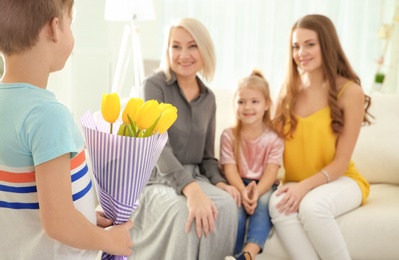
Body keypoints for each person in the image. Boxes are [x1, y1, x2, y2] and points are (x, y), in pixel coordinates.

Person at [0, 1, 133, 259]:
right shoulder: (48, 115)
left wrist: (82, 218)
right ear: (55, 28)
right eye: (71, 23)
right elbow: (59, 221)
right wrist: (111, 241)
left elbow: (33, 199)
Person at [129, 18, 239, 260]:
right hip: (156, 179)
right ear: (167, 50)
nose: (183, 54)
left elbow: (208, 157)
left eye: (192, 46)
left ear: (204, 50)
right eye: (175, 46)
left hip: (194, 176)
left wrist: (220, 183)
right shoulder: (153, 85)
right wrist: (191, 190)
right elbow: (157, 146)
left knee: (228, 206)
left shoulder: (208, 98)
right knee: (183, 211)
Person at [269, 14, 373, 260]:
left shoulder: (350, 92)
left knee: (312, 207)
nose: (301, 52)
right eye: (296, 46)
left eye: (309, 44)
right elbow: (268, 146)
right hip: (296, 184)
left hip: (340, 180)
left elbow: (340, 162)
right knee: (277, 204)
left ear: (326, 45)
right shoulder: (287, 91)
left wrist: (303, 188)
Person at [221, 70, 284, 260]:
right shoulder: (229, 135)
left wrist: (256, 192)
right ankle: (232, 253)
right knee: (235, 208)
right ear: (235, 104)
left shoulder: (274, 138)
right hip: (237, 182)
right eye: (241, 101)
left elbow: (271, 172)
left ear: (267, 104)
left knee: (264, 204)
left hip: (263, 184)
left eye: (254, 101)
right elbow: (229, 168)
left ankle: (248, 254)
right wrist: (242, 191)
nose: (247, 107)